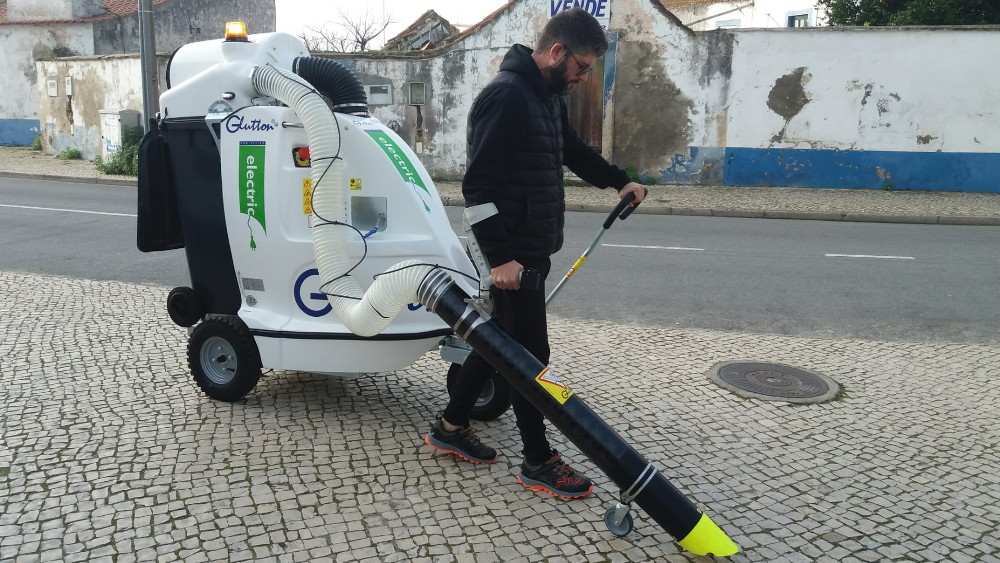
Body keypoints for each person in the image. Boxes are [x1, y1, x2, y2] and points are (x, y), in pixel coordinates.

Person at [424, 7, 647, 499]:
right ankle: (537, 460)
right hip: (513, 257)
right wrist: (501, 257)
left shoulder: (545, 97)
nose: (584, 77)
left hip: (531, 249)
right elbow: (477, 187)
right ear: (555, 51)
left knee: (501, 341)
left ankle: (450, 425)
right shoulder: (506, 97)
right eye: (581, 67)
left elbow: (571, 151)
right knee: (529, 356)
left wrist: (618, 179)